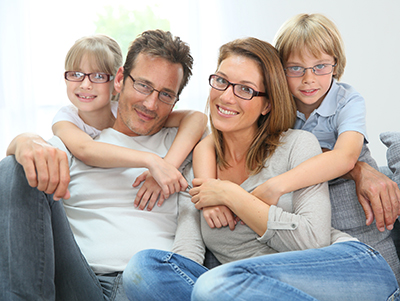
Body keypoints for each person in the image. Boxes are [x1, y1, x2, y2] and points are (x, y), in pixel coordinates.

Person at [122, 37, 399, 301]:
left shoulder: (298, 146)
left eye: (245, 89)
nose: (227, 97)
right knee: (143, 269)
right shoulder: (198, 166)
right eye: (221, 81)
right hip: (240, 291)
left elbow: (313, 241)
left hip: (348, 270)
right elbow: (186, 256)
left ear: (267, 104)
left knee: (215, 285)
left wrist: (232, 196)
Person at [193, 13, 400, 283]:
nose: (308, 79)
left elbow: (345, 157)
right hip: (308, 226)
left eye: (320, 66)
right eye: (295, 68)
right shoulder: (279, 110)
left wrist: (276, 185)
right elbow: (211, 139)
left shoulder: (347, 101)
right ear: (281, 73)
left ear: (336, 65)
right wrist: (210, 191)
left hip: (353, 225)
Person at [0, 29, 206, 300]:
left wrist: (168, 164)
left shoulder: (182, 146)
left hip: (144, 285)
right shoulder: (81, 139)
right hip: (79, 281)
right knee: (14, 168)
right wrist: (25, 139)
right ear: (120, 79)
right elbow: (23, 161)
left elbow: (200, 119)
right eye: (143, 85)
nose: (150, 103)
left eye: (166, 94)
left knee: (145, 270)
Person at [7, 34, 206, 208]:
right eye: (76, 75)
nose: (86, 85)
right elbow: (86, 150)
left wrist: (167, 165)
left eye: (98, 76)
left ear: (115, 82)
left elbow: (197, 117)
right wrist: (151, 160)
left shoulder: (129, 110)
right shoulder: (68, 118)